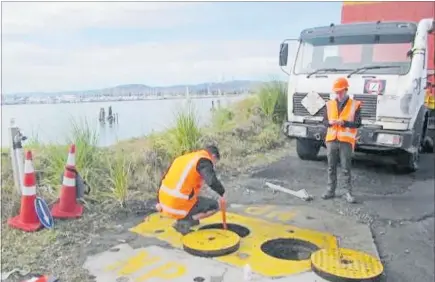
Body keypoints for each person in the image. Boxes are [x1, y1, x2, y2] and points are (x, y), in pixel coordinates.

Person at [155, 145, 225, 234]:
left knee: (198, 198)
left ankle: (186, 219)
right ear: (213, 156)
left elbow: (165, 180)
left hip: (164, 203)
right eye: (214, 163)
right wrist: (222, 192)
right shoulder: (203, 160)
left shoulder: (182, 159)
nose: (213, 165)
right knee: (214, 205)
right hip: (177, 205)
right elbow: (211, 181)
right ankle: (185, 221)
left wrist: (158, 201)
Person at [322, 77, 361, 204]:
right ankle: (330, 190)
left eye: (340, 91)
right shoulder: (329, 104)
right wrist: (330, 122)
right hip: (331, 140)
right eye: (336, 91)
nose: (338, 94)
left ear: (345, 89)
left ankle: (348, 193)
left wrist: (344, 123)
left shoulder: (355, 105)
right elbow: (324, 121)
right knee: (331, 167)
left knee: (346, 168)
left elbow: (357, 123)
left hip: (346, 141)